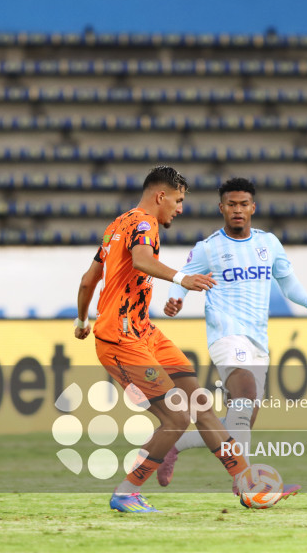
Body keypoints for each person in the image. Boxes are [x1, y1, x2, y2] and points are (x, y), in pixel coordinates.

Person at [74, 166, 251, 513]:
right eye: (179, 200)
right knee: (176, 418)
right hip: (121, 339)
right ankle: (126, 492)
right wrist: (182, 278)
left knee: (199, 403)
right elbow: (141, 261)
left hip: (144, 331)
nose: (180, 209)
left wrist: (81, 320)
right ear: (161, 196)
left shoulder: (116, 226)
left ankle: (248, 482)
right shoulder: (144, 224)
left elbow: (88, 280)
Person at [158, 177, 307, 494]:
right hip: (226, 335)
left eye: (243, 204)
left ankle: (173, 445)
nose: (238, 210)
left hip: (258, 341)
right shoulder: (209, 248)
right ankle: (247, 484)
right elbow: (181, 278)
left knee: (240, 421)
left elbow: (288, 282)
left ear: (253, 207)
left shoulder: (268, 243)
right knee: (244, 397)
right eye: (231, 204)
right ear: (221, 208)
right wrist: (176, 299)